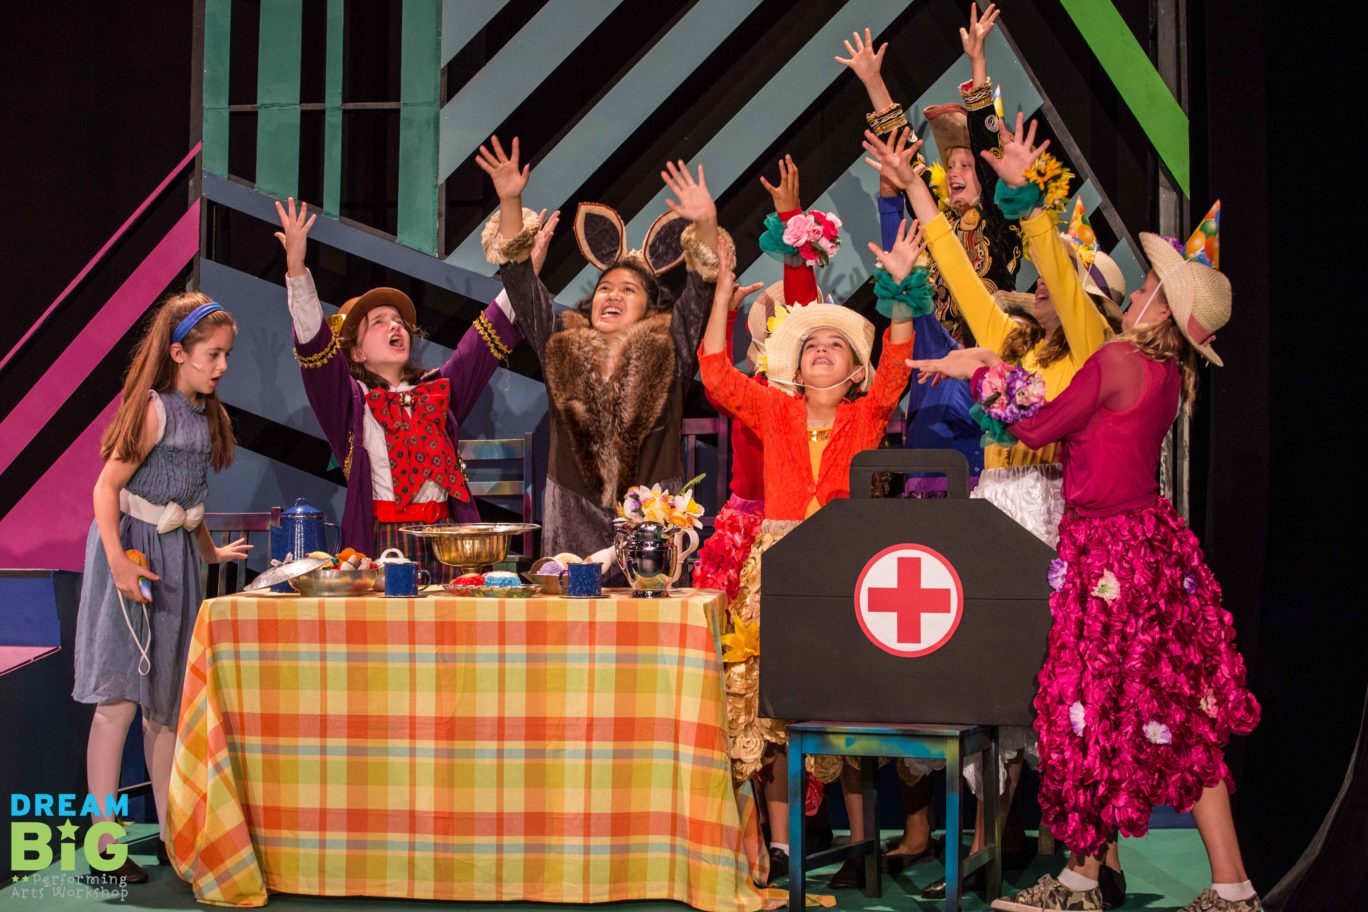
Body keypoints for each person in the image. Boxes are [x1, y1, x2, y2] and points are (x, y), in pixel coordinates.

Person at [909, 203, 1261, 912]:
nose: (1136, 291)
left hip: (1108, 558)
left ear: (1162, 309)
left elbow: (1038, 426)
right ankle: (1203, 885)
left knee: (1095, 708)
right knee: (1168, 714)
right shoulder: (1165, 373)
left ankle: (1094, 882)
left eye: (1147, 287)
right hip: (1147, 548)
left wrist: (981, 373)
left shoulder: (1120, 359)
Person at [866, 112, 1131, 904]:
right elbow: (957, 268)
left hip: (1055, 517)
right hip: (995, 509)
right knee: (994, 679)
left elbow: (1060, 274)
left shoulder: (1092, 352)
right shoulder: (1013, 344)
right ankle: (986, 842)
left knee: (1069, 682)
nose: (1043, 286)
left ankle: (1097, 851)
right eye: (1042, 280)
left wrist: (1031, 206)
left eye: (1060, 281)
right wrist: (915, 188)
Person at [699, 221, 922, 882]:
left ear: (855, 371)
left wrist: (901, 293)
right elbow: (715, 373)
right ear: (793, 369)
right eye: (811, 346)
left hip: (850, 568)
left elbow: (898, 363)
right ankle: (781, 845)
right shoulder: (775, 411)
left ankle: (862, 845)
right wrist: (722, 296)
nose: (822, 350)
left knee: (848, 706)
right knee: (774, 711)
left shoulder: (867, 415)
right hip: (780, 570)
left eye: (836, 345)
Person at [477, 135, 732, 565]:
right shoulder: (562, 344)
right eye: (604, 288)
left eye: (628, 289)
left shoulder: (670, 347)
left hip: (649, 542)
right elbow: (518, 277)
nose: (612, 295)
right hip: (571, 541)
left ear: (650, 307)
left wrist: (706, 223)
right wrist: (510, 202)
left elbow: (701, 286)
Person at [72, 293, 250, 882]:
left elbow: (187, 503)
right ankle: (103, 845)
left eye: (226, 354)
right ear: (178, 353)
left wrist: (210, 552)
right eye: (212, 354)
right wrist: (119, 563)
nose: (222, 365)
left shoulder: (204, 414)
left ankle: (177, 839)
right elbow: (106, 488)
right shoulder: (154, 409)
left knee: (167, 708)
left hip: (174, 561)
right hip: (134, 556)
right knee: (118, 703)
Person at [274, 198, 521, 579]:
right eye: (379, 322)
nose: (395, 326)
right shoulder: (352, 404)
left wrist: (521, 267)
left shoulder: (438, 392)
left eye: (399, 321)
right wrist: (296, 268)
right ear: (357, 351)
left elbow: (480, 343)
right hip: (385, 543)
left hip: (449, 541)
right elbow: (316, 350)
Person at [838, 4, 1022, 346]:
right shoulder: (938, 216)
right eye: (950, 165)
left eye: (965, 166)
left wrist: (978, 62)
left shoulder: (1000, 218)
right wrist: (873, 80)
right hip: (936, 357)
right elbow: (905, 155)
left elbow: (987, 148)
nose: (954, 172)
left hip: (992, 353)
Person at [693, 154, 821, 602]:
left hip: (801, 523)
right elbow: (717, 377)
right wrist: (725, 313)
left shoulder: (814, 395)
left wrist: (791, 216)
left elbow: (803, 311)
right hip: (744, 527)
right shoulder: (751, 393)